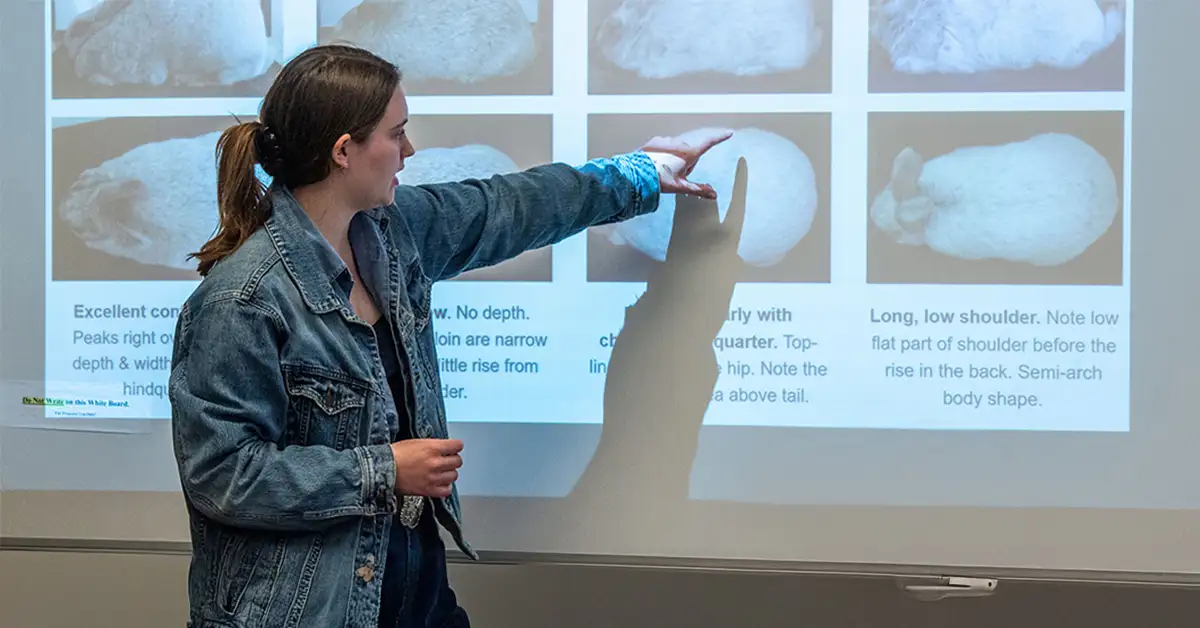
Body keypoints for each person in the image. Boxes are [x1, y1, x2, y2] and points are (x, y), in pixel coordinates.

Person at [168, 43, 732, 628]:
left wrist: (640, 173)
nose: (408, 151)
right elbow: (223, 477)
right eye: (396, 134)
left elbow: (507, 207)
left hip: (414, 591)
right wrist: (385, 470)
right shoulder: (240, 300)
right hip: (305, 610)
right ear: (343, 152)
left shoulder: (394, 233)